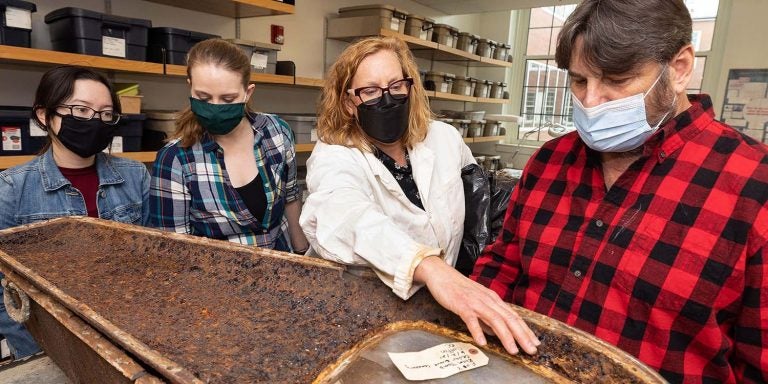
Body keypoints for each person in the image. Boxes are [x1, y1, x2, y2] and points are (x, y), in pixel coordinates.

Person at [471, 1, 768, 382]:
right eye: (580, 80)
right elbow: (503, 268)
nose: (591, 102)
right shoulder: (550, 161)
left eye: (616, 79)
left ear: (678, 69)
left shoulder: (753, 186)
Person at [299, 36, 540, 356]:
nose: (386, 99)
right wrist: (428, 266)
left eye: (396, 85)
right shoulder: (335, 156)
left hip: (438, 312)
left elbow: (478, 201)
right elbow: (346, 216)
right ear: (347, 103)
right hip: (358, 317)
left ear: (410, 87)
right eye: (370, 91)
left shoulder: (443, 139)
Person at [0, 65, 150, 361]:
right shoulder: (11, 189)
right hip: (48, 346)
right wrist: (37, 351)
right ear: (44, 116)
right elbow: (3, 295)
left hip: (130, 335)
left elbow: (152, 264)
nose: (95, 121)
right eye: (81, 110)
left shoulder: (136, 176)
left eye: (106, 114)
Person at [149, 39, 308, 253]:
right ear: (190, 87)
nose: (215, 108)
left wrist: (303, 256)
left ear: (247, 92)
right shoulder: (175, 159)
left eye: (228, 98)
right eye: (203, 97)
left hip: (281, 267)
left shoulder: (276, 131)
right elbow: (174, 250)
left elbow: (290, 198)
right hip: (216, 281)